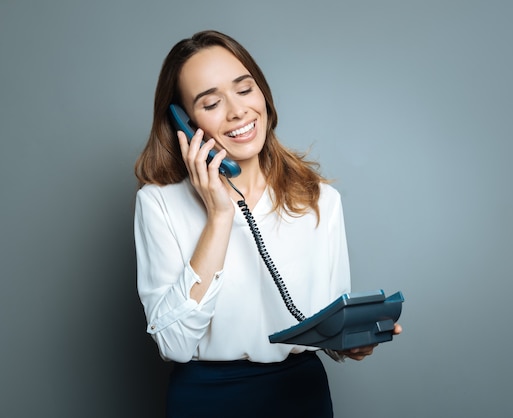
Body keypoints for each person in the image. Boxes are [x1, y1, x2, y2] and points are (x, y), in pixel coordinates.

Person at [134, 30, 401, 418]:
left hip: (301, 396)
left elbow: (327, 321)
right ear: (184, 123)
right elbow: (173, 343)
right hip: (207, 401)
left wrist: (351, 340)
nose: (238, 111)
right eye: (211, 102)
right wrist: (219, 215)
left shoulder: (320, 200)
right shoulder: (158, 204)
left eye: (244, 90)